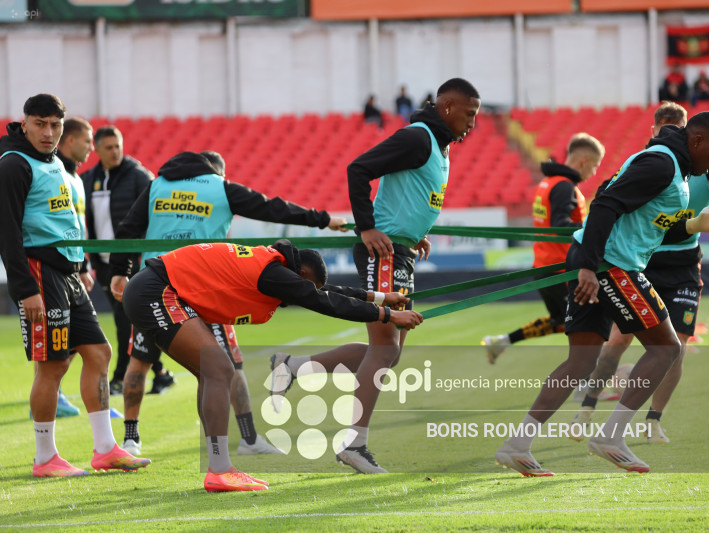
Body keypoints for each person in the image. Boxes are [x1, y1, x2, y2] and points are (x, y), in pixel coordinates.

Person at [493, 110, 709, 476]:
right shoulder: (663, 164)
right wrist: (590, 267)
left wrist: (696, 224)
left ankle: (516, 446)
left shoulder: (672, 167)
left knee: (580, 362)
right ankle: (611, 436)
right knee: (667, 347)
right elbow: (605, 205)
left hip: (598, 259)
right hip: (611, 264)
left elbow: (648, 226)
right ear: (698, 141)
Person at [270, 78, 481, 474]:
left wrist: (413, 235)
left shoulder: (439, 146)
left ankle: (293, 366)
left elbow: (410, 196)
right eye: (469, 114)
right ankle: (354, 444)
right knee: (385, 349)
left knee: (388, 351)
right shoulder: (419, 138)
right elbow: (359, 169)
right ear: (448, 107)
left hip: (399, 250)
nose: (473, 122)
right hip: (382, 252)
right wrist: (367, 227)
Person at [115, 240, 421, 492]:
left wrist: (381, 297)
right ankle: (220, 470)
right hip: (157, 292)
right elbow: (320, 300)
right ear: (299, 272)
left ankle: (218, 468)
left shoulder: (274, 268)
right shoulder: (273, 272)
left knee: (212, 373)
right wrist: (387, 316)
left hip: (154, 289)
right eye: (307, 285)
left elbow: (324, 292)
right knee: (220, 370)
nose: (300, 296)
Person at [109, 150, 349, 457]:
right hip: (209, 289)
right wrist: (323, 220)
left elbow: (128, 228)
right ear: (218, 172)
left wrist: (119, 271)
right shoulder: (220, 187)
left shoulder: (158, 185)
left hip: (154, 284)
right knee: (227, 367)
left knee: (141, 362)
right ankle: (243, 440)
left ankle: (131, 439)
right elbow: (272, 208)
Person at [570, 102, 709, 444]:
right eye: (663, 129)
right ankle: (587, 410)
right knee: (622, 340)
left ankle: (651, 420)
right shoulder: (659, 163)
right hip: (640, 261)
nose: (666, 134)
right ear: (657, 131)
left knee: (676, 345)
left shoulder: (707, 164)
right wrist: (588, 258)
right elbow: (608, 201)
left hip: (683, 265)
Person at [0, 94, 150, 477]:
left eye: (56, 125)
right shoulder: (14, 164)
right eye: (40, 123)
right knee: (53, 365)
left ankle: (105, 449)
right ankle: (45, 457)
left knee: (99, 352)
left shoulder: (54, 164)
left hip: (67, 273)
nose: (48, 132)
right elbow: (7, 233)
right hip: (39, 272)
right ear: (25, 122)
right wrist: (24, 288)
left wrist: (80, 264)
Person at [481, 133, 605, 363]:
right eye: (595, 165)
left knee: (560, 323)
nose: (595, 172)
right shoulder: (564, 187)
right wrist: (594, 227)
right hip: (561, 271)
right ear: (584, 161)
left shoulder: (546, 183)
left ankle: (501, 342)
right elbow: (560, 226)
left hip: (544, 267)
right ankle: (587, 385)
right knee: (590, 326)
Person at [81, 125, 172, 396]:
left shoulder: (139, 177)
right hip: (104, 263)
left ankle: (120, 377)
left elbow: (154, 218)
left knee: (125, 320)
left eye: (118, 145)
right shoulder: (87, 179)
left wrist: (142, 257)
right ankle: (161, 373)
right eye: (108, 147)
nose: (115, 151)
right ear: (96, 150)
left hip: (133, 261)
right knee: (131, 320)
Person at [44, 117, 96, 418]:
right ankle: (55, 394)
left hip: (73, 266)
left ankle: (94, 409)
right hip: (52, 268)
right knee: (57, 346)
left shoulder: (76, 178)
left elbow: (76, 226)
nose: (92, 148)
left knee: (94, 346)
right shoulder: (53, 173)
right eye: (88, 141)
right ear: (71, 140)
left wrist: (84, 264)